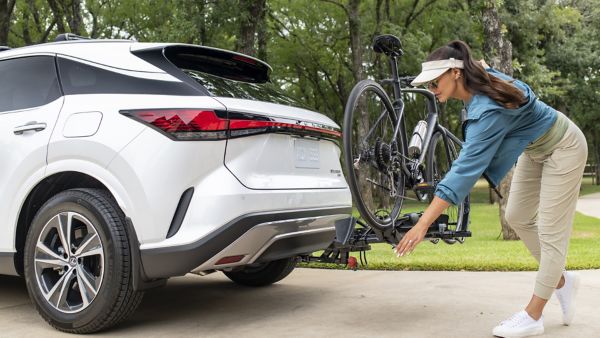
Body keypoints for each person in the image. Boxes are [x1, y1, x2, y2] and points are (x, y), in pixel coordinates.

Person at [394, 40, 587, 337]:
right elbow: (482, 68)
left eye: (435, 82)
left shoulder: (487, 112)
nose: (432, 90)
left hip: (565, 145)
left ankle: (533, 315)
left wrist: (423, 223)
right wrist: (481, 66)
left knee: (550, 232)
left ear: (455, 74)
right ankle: (562, 281)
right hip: (534, 149)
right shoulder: (477, 83)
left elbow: (463, 172)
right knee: (517, 216)